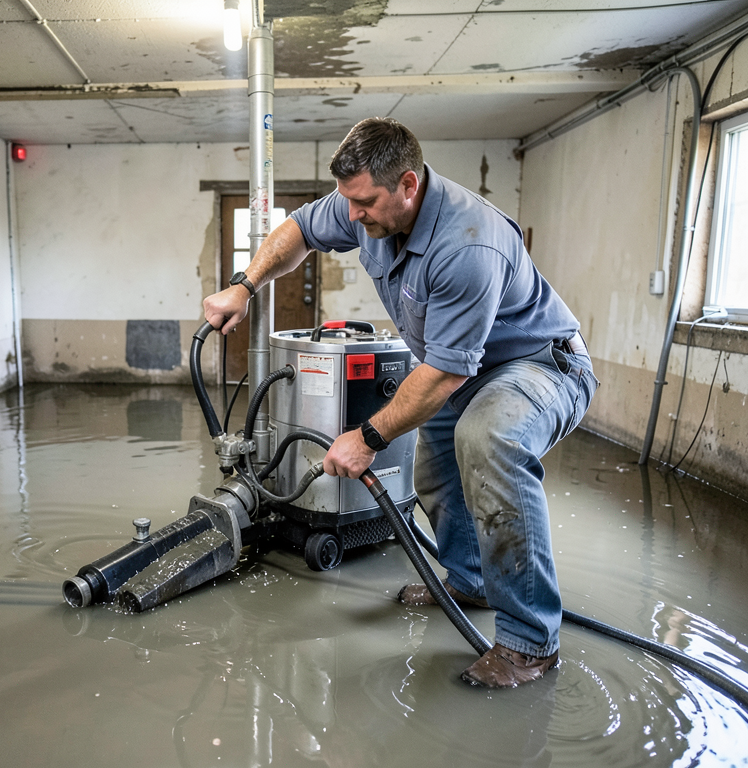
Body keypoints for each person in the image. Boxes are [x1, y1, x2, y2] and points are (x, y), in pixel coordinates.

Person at [202, 117, 598, 688]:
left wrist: (365, 438)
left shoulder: (467, 243)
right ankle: (469, 581)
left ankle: (530, 643)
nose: (353, 215)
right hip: (464, 366)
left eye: (364, 203)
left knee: (489, 440)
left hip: (538, 364)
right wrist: (245, 283)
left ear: (408, 185)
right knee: (434, 464)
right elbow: (299, 231)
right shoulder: (362, 201)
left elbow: (441, 375)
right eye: (348, 202)